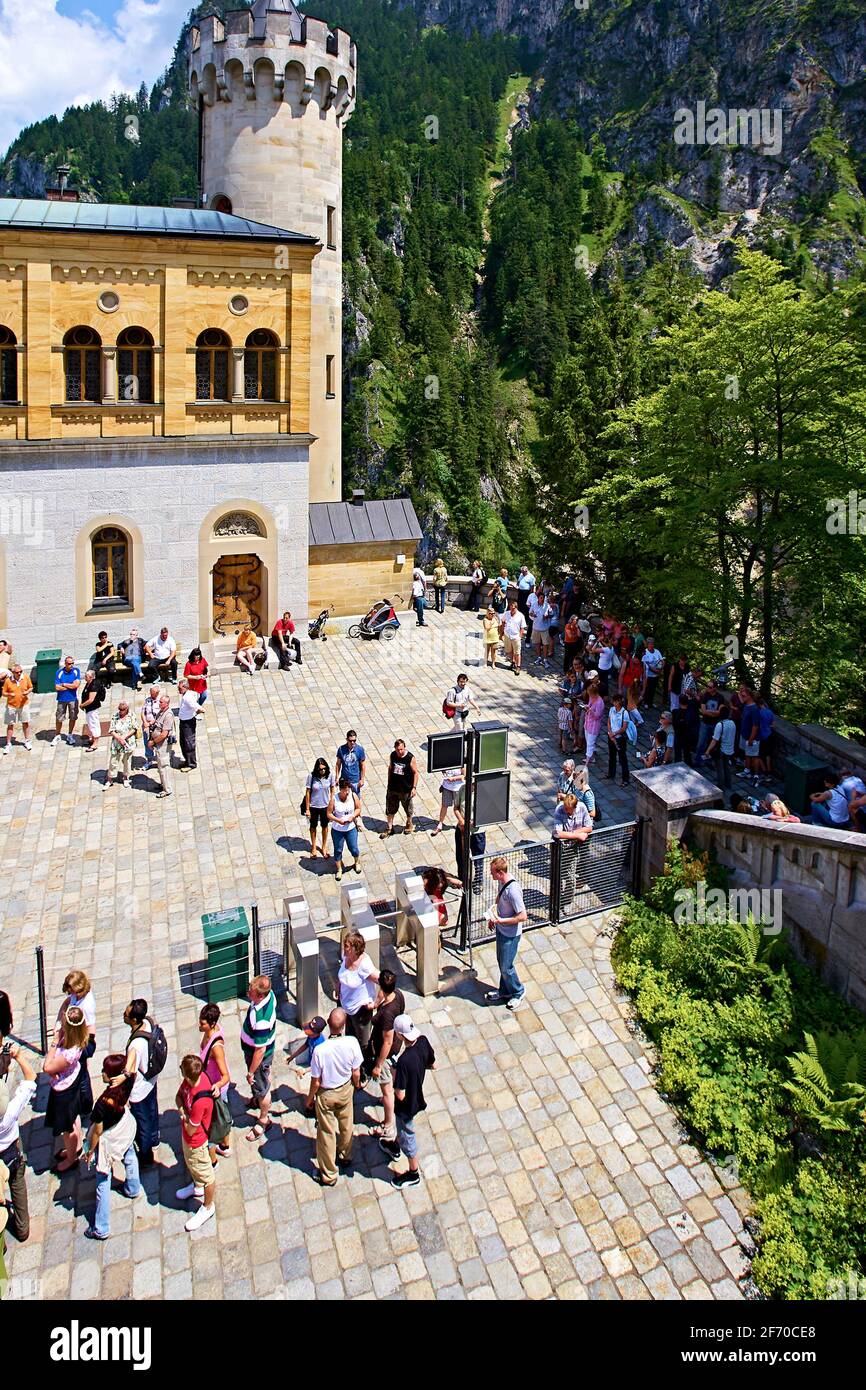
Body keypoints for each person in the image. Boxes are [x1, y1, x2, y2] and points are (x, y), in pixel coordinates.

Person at [81, 1054, 139, 1241]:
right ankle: (133, 1187)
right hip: (125, 1126)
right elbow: (134, 1059)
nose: (102, 1073)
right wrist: (126, 1074)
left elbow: (97, 1132)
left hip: (110, 1137)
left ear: (112, 1075)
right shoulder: (128, 1083)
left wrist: (90, 1151)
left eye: (105, 1071)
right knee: (129, 1155)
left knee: (102, 1179)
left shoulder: (102, 1103)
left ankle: (101, 1227)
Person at [308, 1008, 363, 1186]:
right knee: (346, 1123)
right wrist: (357, 1085)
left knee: (326, 1132)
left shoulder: (320, 1051)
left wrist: (309, 1099)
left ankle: (329, 1174)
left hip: (326, 1092)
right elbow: (356, 1072)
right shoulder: (352, 1043)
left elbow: (315, 1081)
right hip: (345, 1088)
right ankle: (345, 1155)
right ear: (344, 1025)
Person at [383, 1015, 436, 1188]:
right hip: (417, 1093)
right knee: (402, 1131)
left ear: (399, 1035)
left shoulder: (404, 1061)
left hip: (407, 1105)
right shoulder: (422, 1041)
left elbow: (400, 1094)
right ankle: (395, 1144)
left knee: (408, 1135)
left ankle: (413, 1173)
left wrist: (394, 1073)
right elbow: (432, 1063)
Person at [44, 1005, 89, 1171]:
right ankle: (75, 1147)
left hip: (64, 1090)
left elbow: (47, 1067)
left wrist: (54, 1043)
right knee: (74, 1115)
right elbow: (65, 1006)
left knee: (66, 1127)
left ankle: (71, 1158)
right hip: (72, 1079)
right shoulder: (77, 1039)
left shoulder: (68, 1052)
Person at [175, 1055, 217, 1232]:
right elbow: (178, 1098)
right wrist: (182, 1110)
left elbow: (192, 1129)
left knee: (207, 1175)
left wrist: (184, 1116)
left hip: (197, 1141)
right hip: (188, 1138)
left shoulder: (200, 1100)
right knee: (192, 1165)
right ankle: (197, 1186)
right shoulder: (188, 1084)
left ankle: (207, 1207)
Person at [0, 1042, 37, 1242]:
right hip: (11, 1151)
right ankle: (22, 1229)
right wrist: (18, 1056)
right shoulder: (10, 1110)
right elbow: (31, 1078)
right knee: (17, 1185)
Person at [484, 857, 529, 1011]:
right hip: (501, 930)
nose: (491, 876)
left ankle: (518, 991)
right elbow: (499, 897)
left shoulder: (513, 891)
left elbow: (522, 916)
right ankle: (504, 991)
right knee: (502, 962)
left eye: (493, 873)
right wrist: (493, 916)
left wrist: (502, 921)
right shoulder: (502, 882)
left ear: (500, 872)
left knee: (506, 966)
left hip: (510, 935)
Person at [123, 1000, 161, 1167]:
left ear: (133, 1020)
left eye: (126, 1014)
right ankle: (154, 1139)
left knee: (142, 1122)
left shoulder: (135, 1046)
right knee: (152, 1111)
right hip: (151, 1080)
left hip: (139, 1089)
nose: (123, 1015)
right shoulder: (148, 1023)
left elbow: (129, 1071)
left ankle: (146, 1156)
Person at [370, 970, 405, 1144]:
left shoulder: (387, 1015)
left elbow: (387, 1042)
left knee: (386, 1090)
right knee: (394, 1074)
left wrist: (378, 1065)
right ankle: (399, 1095)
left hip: (386, 1053)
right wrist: (377, 1002)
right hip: (397, 1049)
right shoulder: (398, 995)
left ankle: (388, 1123)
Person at [240, 975, 276, 1142]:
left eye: (251, 992)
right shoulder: (270, 995)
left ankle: (263, 1120)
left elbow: (260, 1050)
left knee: (263, 1089)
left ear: (261, 995)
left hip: (259, 1060)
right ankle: (256, 1099)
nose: (248, 994)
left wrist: (251, 1072)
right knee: (259, 1086)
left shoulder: (261, 1020)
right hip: (257, 1054)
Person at [198, 1005, 232, 1165]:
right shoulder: (211, 1031)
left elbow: (226, 1076)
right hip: (210, 1082)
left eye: (203, 1023)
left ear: (212, 1024)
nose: (200, 1026)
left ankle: (213, 1162)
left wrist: (216, 1086)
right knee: (222, 1118)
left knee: (212, 1126)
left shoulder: (216, 1047)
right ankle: (225, 1146)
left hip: (215, 1089)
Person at [336, 931, 380, 1057]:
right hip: (346, 1006)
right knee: (349, 1036)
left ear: (355, 949)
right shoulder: (346, 957)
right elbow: (343, 973)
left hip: (360, 1011)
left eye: (347, 946)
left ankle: (363, 1067)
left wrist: (375, 1003)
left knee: (362, 1042)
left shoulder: (364, 965)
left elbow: (384, 980)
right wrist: (338, 984)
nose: (344, 947)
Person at [553, 794, 594, 903]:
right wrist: (578, 835)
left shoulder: (582, 807)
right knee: (557, 874)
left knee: (571, 877)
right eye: (565, 809)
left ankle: (567, 901)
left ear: (575, 807)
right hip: (559, 847)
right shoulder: (559, 809)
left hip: (572, 848)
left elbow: (589, 828)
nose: (566, 811)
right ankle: (556, 897)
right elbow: (558, 833)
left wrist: (574, 833)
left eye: (569, 810)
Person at [454, 780, 486, 893]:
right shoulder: (462, 789)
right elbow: (456, 808)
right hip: (462, 829)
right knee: (461, 855)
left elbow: (486, 812)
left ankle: (478, 881)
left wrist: (473, 822)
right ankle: (462, 879)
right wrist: (462, 820)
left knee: (478, 858)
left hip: (477, 832)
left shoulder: (483, 792)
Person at [381, 739, 418, 838]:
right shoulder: (393, 755)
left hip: (405, 789)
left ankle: (409, 823)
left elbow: (415, 773)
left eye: (401, 749)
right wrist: (389, 781)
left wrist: (414, 787)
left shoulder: (410, 758)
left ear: (404, 747)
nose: (399, 752)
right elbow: (390, 768)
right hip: (393, 788)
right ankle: (389, 827)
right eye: (397, 749)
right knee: (390, 808)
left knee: (408, 809)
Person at [328, 778, 363, 880]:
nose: (347, 792)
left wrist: (353, 816)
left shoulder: (353, 796)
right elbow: (329, 814)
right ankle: (339, 869)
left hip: (350, 828)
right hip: (338, 830)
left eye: (348, 789)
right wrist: (338, 820)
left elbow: (358, 808)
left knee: (354, 848)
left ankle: (357, 862)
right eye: (345, 790)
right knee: (338, 850)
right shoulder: (334, 799)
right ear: (340, 789)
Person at [305, 757, 336, 858]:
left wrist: (332, 802)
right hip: (314, 806)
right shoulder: (311, 777)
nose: (323, 771)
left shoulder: (330, 775)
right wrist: (307, 809)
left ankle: (324, 846)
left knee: (325, 826)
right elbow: (308, 792)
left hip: (325, 806)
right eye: (320, 769)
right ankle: (313, 847)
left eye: (324, 769)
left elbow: (332, 789)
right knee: (313, 826)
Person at [703, 702, 737, 787]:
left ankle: (720, 784)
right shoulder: (733, 723)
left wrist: (708, 751)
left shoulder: (720, 725)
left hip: (721, 750)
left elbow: (714, 740)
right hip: (730, 749)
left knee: (720, 768)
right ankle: (728, 784)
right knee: (727, 767)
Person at [105, 699, 136, 788]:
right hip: (117, 742)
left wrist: (124, 737)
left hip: (128, 742)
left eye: (123, 709)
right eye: (119, 709)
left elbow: (134, 728)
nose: (120, 711)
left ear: (127, 709)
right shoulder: (115, 716)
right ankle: (110, 779)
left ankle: (125, 778)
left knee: (127, 761)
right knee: (113, 761)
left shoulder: (131, 715)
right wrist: (119, 738)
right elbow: (111, 730)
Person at [148, 692, 174, 798]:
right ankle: (163, 784)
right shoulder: (161, 712)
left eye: (161, 702)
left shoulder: (168, 715)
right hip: (158, 743)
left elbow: (164, 734)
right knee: (159, 766)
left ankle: (167, 789)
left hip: (162, 744)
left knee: (163, 766)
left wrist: (153, 742)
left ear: (166, 704)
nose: (159, 703)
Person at [2, 662, 32, 752]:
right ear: (13, 672)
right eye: (17, 672)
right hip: (11, 706)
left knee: (25, 723)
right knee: (10, 725)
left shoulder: (25, 677)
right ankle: (8, 743)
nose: (19, 673)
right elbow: (3, 693)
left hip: (24, 705)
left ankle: (27, 741)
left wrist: (28, 692)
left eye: (20, 671)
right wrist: (9, 694)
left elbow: (31, 687)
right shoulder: (8, 681)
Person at [52, 654, 81, 747]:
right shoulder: (59, 672)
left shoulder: (76, 671)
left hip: (73, 699)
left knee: (73, 717)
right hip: (62, 699)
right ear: (65, 664)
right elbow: (57, 687)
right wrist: (70, 686)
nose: (71, 665)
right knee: (59, 717)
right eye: (69, 663)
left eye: (72, 663)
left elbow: (76, 685)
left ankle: (70, 734)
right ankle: (57, 734)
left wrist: (64, 684)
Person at [177, 678, 205, 771]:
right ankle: (187, 760)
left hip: (188, 723)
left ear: (185, 687)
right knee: (183, 742)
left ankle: (191, 764)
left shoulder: (188, 698)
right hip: (183, 721)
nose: (178, 690)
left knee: (189, 743)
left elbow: (198, 707)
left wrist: (197, 712)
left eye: (180, 688)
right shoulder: (188, 694)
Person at [738, 686, 763, 782]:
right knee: (747, 754)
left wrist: (751, 739)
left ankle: (756, 774)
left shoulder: (754, 709)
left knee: (754, 756)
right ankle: (747, 770)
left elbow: (755, 726)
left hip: (752, 738)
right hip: (745, 735)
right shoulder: (746, 706)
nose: (742, 697)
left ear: (749, 696)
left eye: (743, 695)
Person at [605, 691, 630, 786]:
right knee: (612, 756)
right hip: (611, 736)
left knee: (622, 758)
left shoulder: (625, 713)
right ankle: (611, 773)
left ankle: (625, 779)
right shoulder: (611, 709)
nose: (615, 703)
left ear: (620, 702)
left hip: (619, 738)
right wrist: (610, 732)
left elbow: (624, 727)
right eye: (614, 701)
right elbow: (608, 721)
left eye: (616, 701)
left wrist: (614, 733)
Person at [431, 765, 464, 836]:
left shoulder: (461, 762)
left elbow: (464, 776)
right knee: (444, 805)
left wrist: (453, 778)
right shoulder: (447, 760)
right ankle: (440, 824)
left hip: (458, 788)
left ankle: (461, 823)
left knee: (458, 808)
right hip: (447, 786)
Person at [335, 730, 367, 801]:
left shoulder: (360, 750)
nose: (352, 742)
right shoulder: (341, 749)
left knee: (356, 801)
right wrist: (337, 777)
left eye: (354, 740)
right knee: (344, 800)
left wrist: (362, 779)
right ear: (347, 739)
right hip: (344, 781)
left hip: (355, 781)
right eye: (350, 740)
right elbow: (338, 764)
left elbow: (363, 765)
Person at [80, 668, 106, 753]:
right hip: (89, 708)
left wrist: (82, 705)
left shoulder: (93, 685)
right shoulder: (89, 683)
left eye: (86, 676)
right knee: (90, 723)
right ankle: (93, 738)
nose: (85, 677)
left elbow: (91, 699)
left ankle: (95, 743)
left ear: (91, 677)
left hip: (92, 708)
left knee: (94, 724)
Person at [499, 600, 527, 674]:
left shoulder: (521, 616)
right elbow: (503, 621)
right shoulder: (507, 613)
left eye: (513, 608)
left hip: (515, 637)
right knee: (509, 651)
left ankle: (518, 666)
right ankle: (513, 662)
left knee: (517, 652)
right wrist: (502, 633)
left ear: (516, 608)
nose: (511, 609)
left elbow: (522, 627)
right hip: (507, 635)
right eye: (511, 608)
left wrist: (519, 636)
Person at [583, 680, 605, 766]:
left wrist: (590, 710)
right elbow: (589, 705)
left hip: (594, 726)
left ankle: (587, 761)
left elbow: (597, 716)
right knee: (588, 740)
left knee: (590, 743)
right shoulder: (592, 697)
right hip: (588, 723)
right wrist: (587, 708)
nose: (589, 695)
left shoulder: (600, 702)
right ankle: (591, 758)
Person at [140, 684, 161, 770]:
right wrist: (145, 722)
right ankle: (149, 760)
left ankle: (159, 761)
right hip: (147, 725)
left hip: (156, 727)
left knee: (158, 743)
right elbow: (142, 712)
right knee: (147, 743)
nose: (151, 695)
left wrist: (152, 722)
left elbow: (161, 715)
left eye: (152, 693)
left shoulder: (161, 701)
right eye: (150, 693)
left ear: (157, 693)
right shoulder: (147, 700)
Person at [640, 637, 664, 709]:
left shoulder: (657, 651)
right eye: (650, 644)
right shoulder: (645, 652)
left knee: (653, 689)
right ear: (647, 644)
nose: (652, 645)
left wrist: (661, 668)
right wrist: (655, 670)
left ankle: (651, 702)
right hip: (648, 675)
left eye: (653, 644)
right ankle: (645, 702)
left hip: (656, 674)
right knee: (647, 689)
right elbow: (646, 664)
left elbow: (662, 660)